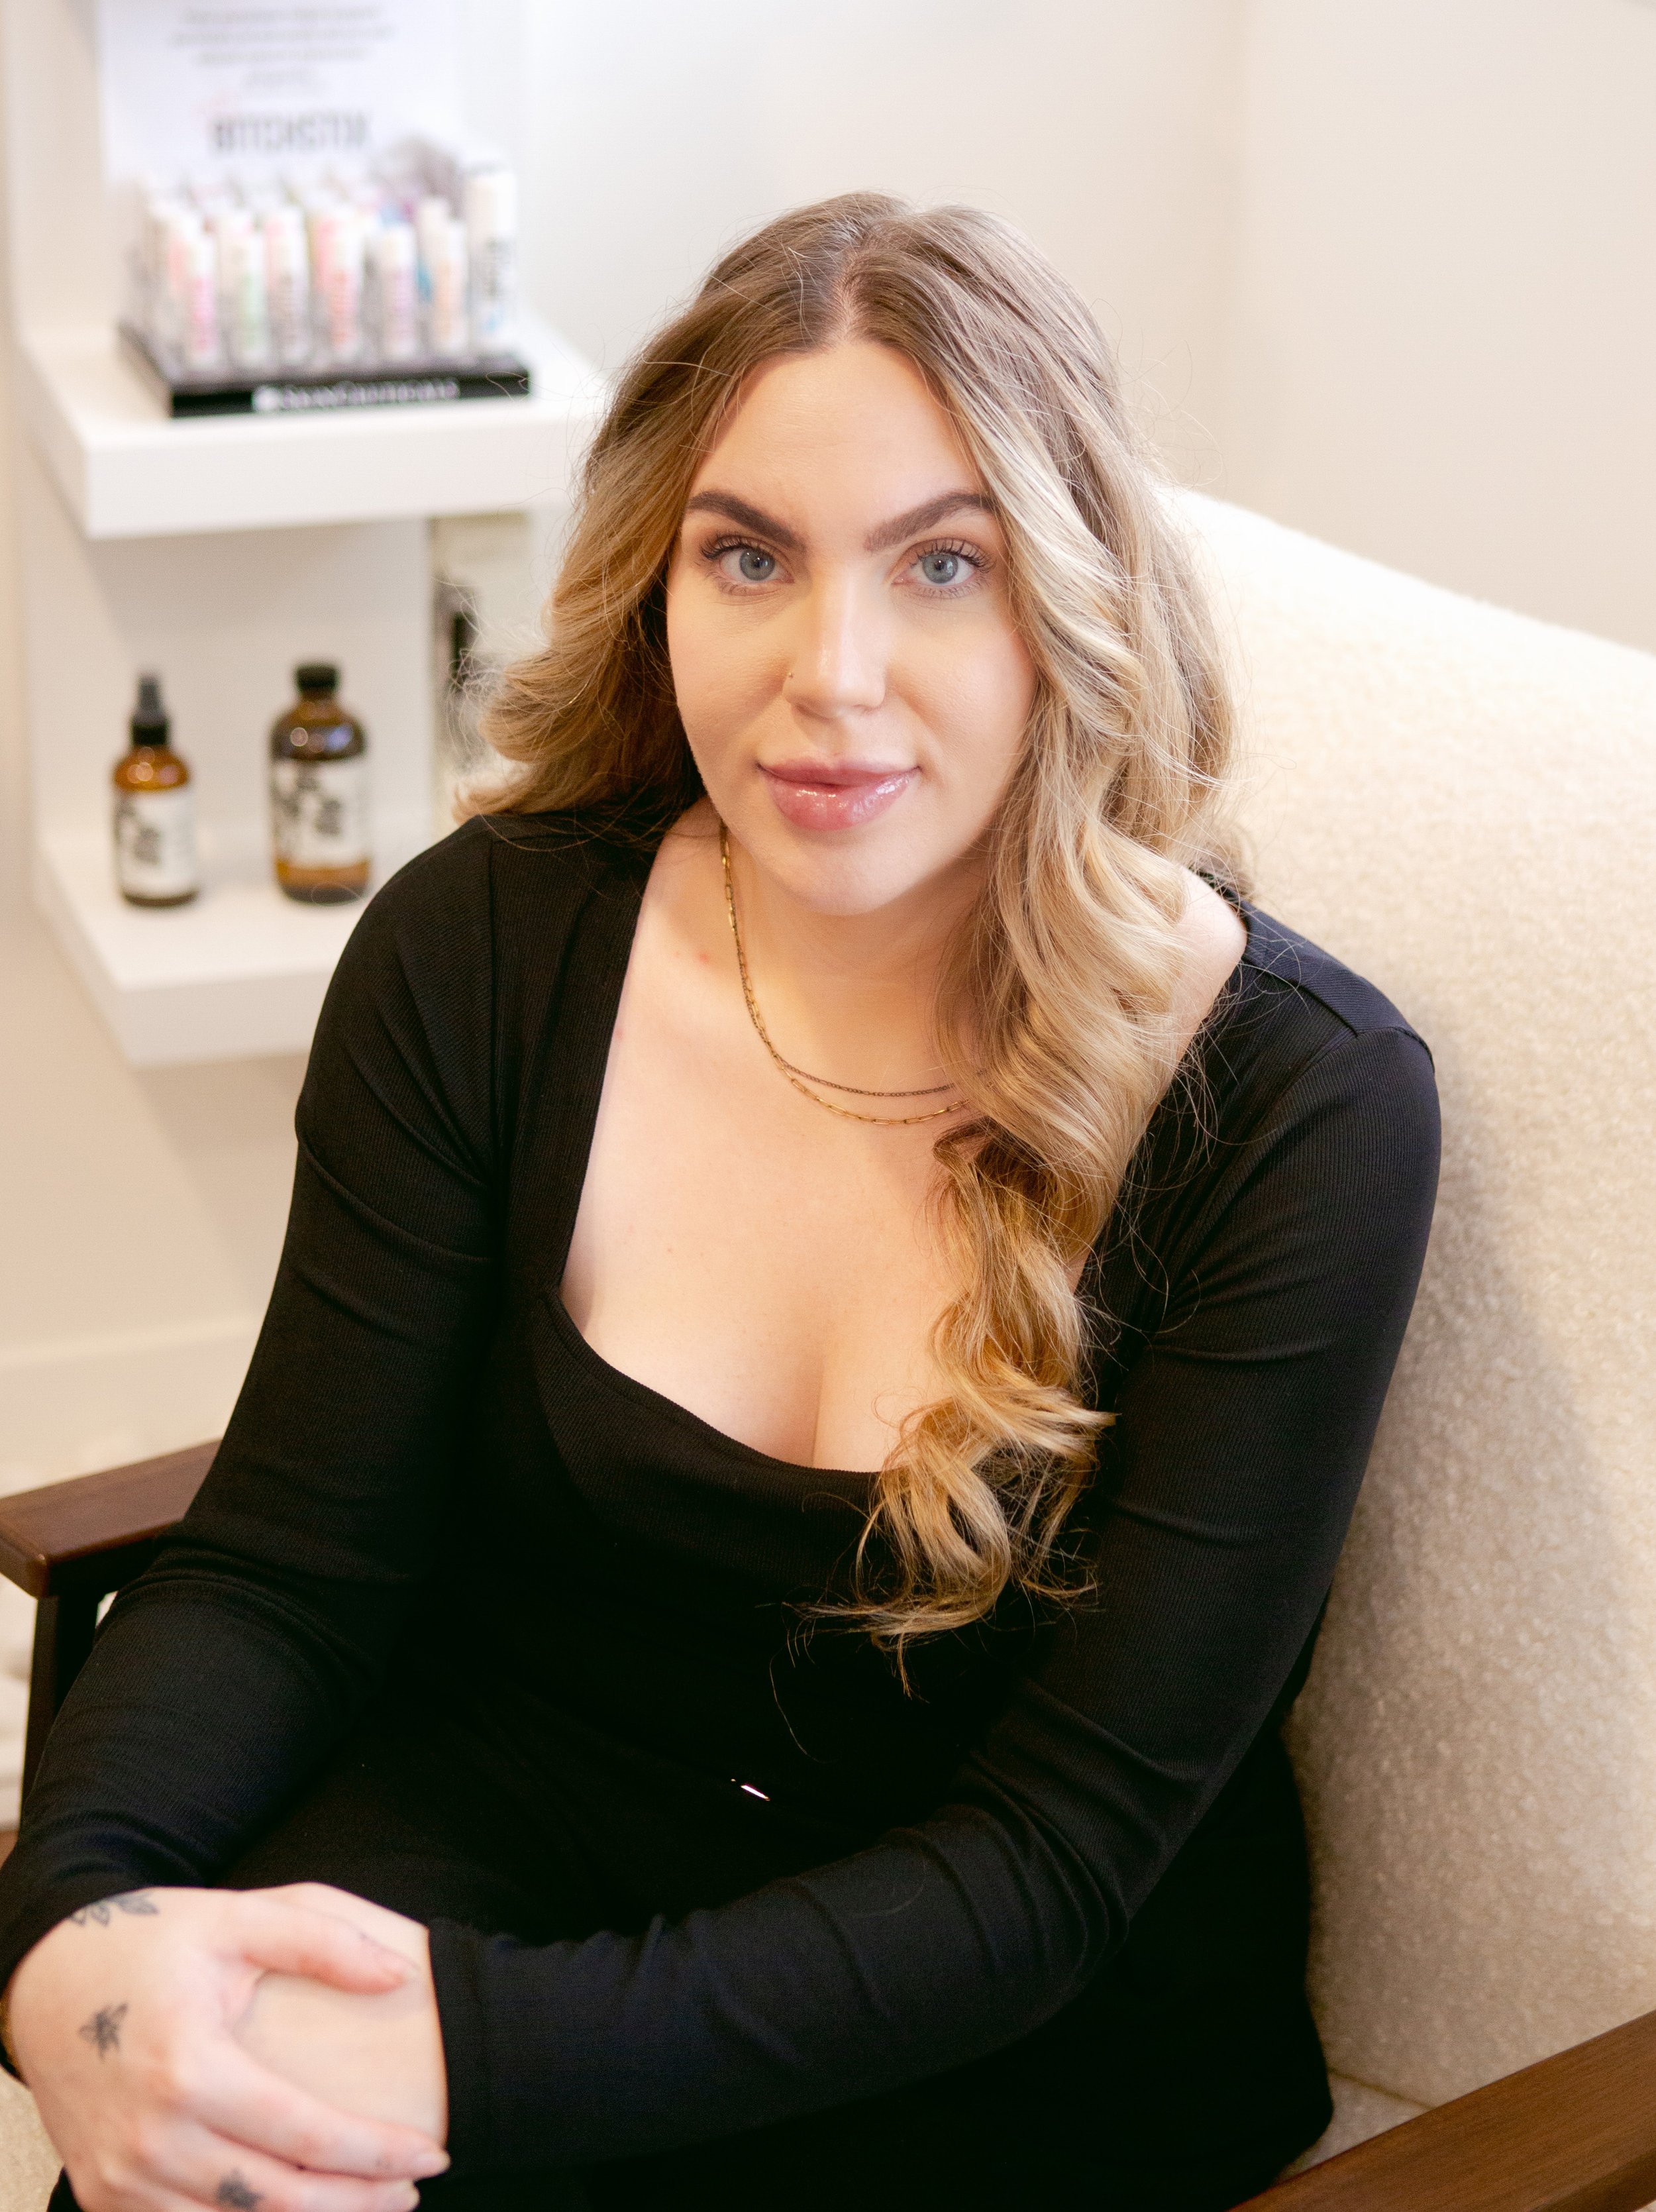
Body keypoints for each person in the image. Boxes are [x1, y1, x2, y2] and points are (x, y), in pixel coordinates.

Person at [0, 194, 1439, 2212]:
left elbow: (1055, 1860)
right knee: (213, 2158)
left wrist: (465, 2055)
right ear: (654, 583)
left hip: (991, 2010)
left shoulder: (1296, 1104)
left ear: (1073, 604)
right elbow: (285, 1569)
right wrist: (71, 1925)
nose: (828, 677)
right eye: (748, 555)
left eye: (943, 564)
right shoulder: (484, 950)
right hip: (515, 1819)